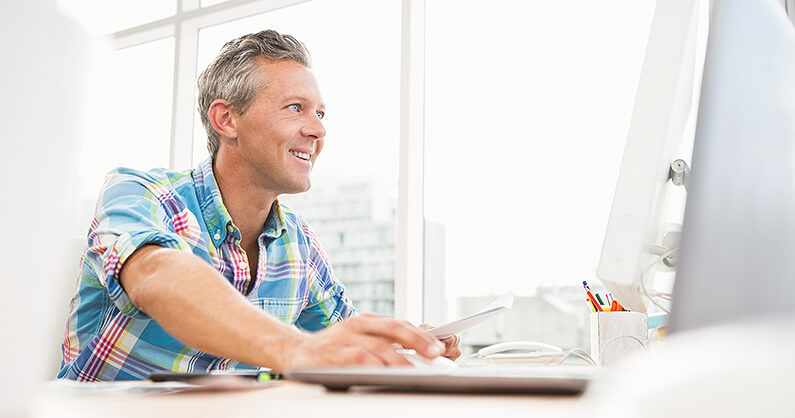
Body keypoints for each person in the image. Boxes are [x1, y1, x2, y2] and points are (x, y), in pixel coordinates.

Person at [58, 29, 460, 381]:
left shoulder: (299, 242)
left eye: (319, 113)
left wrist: (410, 347)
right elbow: (157, 276)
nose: (318, 130)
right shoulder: (138, 192)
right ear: (227, 120)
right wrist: (295, 350)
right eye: (295, 108)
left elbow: (344, 338)